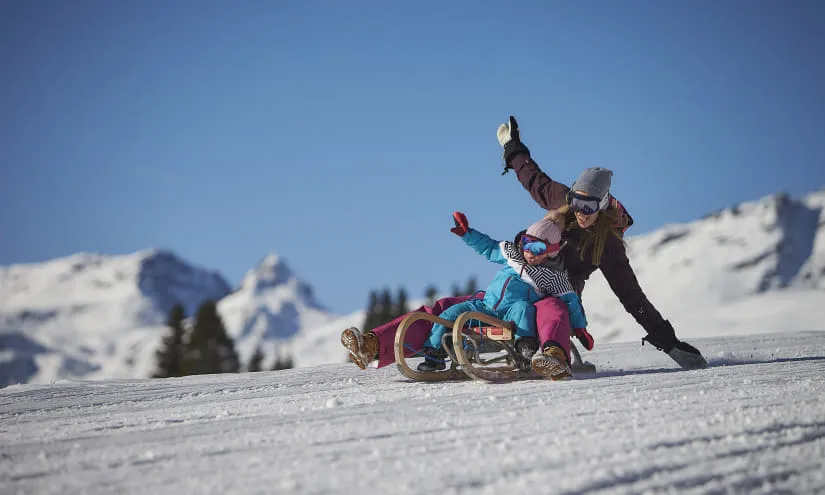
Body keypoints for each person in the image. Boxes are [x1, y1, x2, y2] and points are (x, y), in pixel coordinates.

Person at [496, 116, 708, 370]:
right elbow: (532, 178)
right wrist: (512, 147)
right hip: (533, 270)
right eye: (577, 203)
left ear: (603, 204)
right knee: (509, 292)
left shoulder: (607, 244)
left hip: (564, 289)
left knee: (550, 307)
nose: (581, 212)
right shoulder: (560, 200)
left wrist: (669, 342)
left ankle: (549, 350)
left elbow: (631, 295)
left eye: (589, 206)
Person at [413, 212, 590, 379]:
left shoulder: (552, 275)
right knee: (451, 313)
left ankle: (525, 350)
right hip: (485, 306)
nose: (529, 252)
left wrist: (580, 327)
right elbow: (488, 247)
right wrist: (467, 233)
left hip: (510, 312)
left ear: (550, 251)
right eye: (527, 244)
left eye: (538, 248)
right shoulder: (512, 253)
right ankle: (434, 355)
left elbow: (570, 299)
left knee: (524, 309)